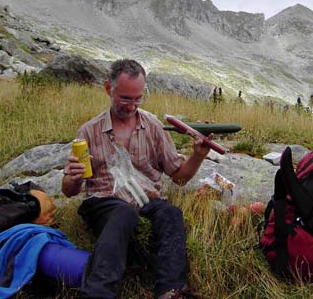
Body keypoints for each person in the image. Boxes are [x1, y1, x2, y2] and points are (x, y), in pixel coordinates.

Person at [62, 59, 211, 299]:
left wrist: (197, 156)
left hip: (148, 199)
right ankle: (97, 293)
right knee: (123, 212)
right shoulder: (88, 131)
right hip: (104, 201)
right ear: (109, 89)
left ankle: (170, 291)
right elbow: (69, 191)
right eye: (125, 98)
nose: (132, 106)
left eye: (137, 99)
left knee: (171, 214)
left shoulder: (153, 126)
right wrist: (73, 177)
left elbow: (179, 178)